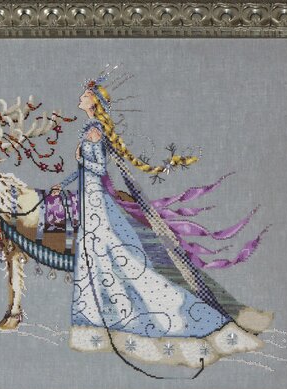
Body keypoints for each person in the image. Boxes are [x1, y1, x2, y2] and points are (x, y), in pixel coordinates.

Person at [51, 74, 273, 370]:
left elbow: (97, 168)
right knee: (100, 257)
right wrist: (64, 183)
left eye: (85, 95)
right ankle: (100, 321)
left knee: (113, 256)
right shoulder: (89, 129)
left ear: (94, 102)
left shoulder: (94, 131)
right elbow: (85, 170)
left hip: (96, 201)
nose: (80, 98)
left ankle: (144, 316)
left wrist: (79, 162)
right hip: (89, 197)